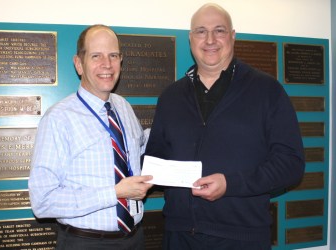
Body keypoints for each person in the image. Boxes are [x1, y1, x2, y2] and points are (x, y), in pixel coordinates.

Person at [144, 3, 305, 250]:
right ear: (190, 38)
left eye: (219, 30)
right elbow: (157, 158)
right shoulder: (170, 96)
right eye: (200, 31)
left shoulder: (267, 91)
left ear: (232, 36)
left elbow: (291, 164)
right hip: (179, 237)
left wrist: (232, 184)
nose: (210, 39)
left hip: (242, 239)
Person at [29, 24, 153, 250]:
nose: (107, 64)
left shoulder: (122, 106)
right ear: (79, 64)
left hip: (134, 239)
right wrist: (115, 193)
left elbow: (141, 147)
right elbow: (42, 201)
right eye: (97, 56)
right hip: (85, 243)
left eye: (113, 55)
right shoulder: (58, 119)